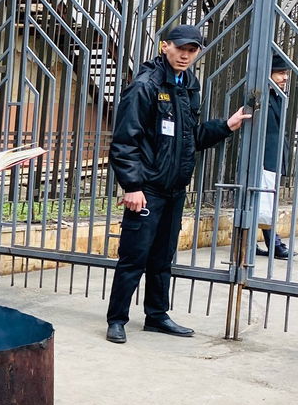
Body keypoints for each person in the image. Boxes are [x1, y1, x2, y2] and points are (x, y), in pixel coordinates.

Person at [104, 24, 251, 344]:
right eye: (180, 48)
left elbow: (190, 138)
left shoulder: (187, 86)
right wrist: (132, 186)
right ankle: (117, 319)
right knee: (134, 256)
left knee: (162, 257)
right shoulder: (146, 86)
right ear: (164, 46)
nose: (185, 55)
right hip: (147, 189)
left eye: (192, 50)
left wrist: (226, 125)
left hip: (174, 190)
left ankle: (156, 315)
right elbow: (124, 141)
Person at [256, 53, 291, 259]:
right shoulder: (259, 95)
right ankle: (274, 243)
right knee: (263, 200)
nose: (284, 78)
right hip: (263, 156)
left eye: (285, 73)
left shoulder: (277, 96)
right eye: (280, 73)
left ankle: (249, 244)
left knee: (264, 200)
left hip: (275, 154)